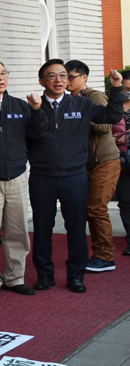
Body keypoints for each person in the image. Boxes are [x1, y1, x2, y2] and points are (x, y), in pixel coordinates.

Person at [28, 61, 124, 293]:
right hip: (42, 176)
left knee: (77, 228)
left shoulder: (81, 104)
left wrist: (116, 89)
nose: (59, 80)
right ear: (41, 81)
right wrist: (37, 110)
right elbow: (33, 135)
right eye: (52, 76)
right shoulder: (31, 106)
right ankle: (44, 275)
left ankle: (76, 275)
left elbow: (111, 115)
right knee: (42, 228)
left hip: (74, 176)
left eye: (63, 76)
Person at [0, 60, 45, 298]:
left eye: (4, 73)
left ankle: (15, 278)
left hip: (16, 174)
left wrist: (37, 111)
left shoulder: (20, 105)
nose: (1, 78)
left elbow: (37, 135)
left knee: (17, 231)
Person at [65, 60, 122, 273]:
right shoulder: (68, 101)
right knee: (89, 210)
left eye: (71, 77)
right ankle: (98, 253)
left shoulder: (94, 97)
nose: (66, 81)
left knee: (97, 209)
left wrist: (76, 118)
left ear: (84, 78)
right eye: (64, 76)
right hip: (85, 163)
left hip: (104, 160)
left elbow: (106, 126)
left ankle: (105, 256)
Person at [115, 69, 130, 257]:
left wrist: (126, 138)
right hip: (119, 162)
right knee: (125, 202)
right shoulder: (114, 106)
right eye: (125, 88)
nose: (127, 92)